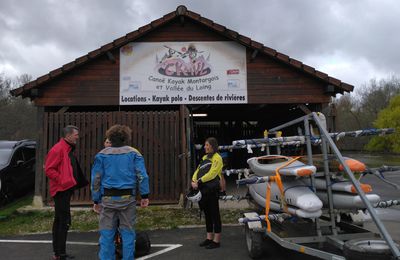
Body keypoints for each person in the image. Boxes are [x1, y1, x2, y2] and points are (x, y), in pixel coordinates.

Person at [91, 124, 150, 260]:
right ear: (126, 138)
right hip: (128, 198)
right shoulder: (134, 153)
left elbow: (95, 180)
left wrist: (96, 200)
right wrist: (145, 195)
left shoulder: (101, 155)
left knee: (106, 234)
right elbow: (142, 176)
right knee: (128, 233)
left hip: (107, 198)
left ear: (110, 138)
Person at [45, 125, 88, 260]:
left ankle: (58, 253)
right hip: (60, 190)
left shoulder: (67, 148)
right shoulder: (58, 149)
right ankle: (60, 254)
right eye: (76, 134)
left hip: (65, 189)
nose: (77, 137)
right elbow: (49, 169)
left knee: (61, 220)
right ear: (68, 135)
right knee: (63, 221)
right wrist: (62, 180)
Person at [191, 137, 223, 249]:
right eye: (205, 145)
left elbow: (213, 173)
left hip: (212, 189)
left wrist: (199, 181)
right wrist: (193, 180)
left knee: (215, 214)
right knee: (207, 214)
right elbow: (198, 170)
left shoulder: (217, 158)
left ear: (212, 146)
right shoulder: (204, 157)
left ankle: (216, 240)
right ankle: (209, 238)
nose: (205, 147)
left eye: (207, 145)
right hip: (203, 189)